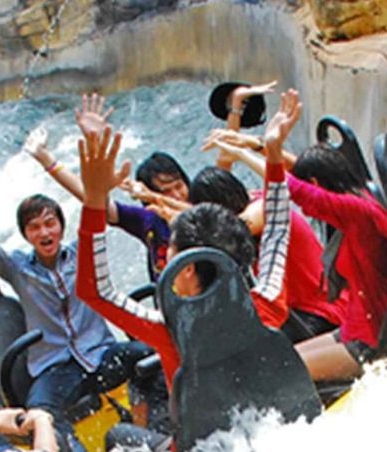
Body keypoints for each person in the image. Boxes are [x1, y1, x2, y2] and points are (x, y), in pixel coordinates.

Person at [74, 89, 301, 398]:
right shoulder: (266, 305)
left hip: (206, 445)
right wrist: (273, 152)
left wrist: (93, 193)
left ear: (188, 269)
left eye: (172, 251)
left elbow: (94, 289)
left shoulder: (172, 332)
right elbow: (277, 229)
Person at [0, 143, 153, 425]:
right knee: (40, 416)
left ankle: (155, 429)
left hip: (101, 353)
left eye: (49, 223)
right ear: (26, 235)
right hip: (56, 367)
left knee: (154, 357)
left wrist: (96, 180)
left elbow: (96, 210)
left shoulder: (83, 255)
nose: (44, 232)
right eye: (34, 227)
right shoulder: (17, 268)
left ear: (61, 227)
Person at [207, 132, 387, 383]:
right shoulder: (360, 198)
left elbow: (290, 187)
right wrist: (257, 146)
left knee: (277, 374)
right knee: (279, 359)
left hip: (371, 339)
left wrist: (243, 154)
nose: (304, 209)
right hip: (355, 325)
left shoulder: (358, 213)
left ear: (316, 183)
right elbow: (300, 175)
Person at [24, 94, 175, 281]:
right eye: (164, 193)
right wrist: (48, 158)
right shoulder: (150, 221)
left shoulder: (204, 216)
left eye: (178, 187)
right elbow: (94, 200)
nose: (175, 196)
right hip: (165, 307)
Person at [188, 164, 342, 342]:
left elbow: (229, 230)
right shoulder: (247, 210)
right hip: (298, 313)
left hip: (324, 311)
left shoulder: (262, 208)